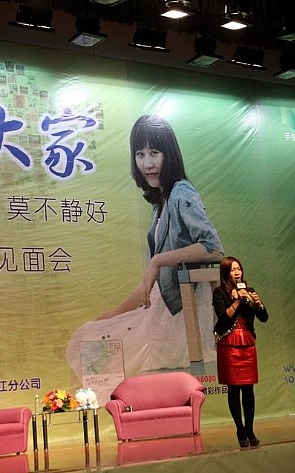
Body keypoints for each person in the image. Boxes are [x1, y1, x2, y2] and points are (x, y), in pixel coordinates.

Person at [65, 114, 224, 390]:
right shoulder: (161, 203)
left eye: (154, 153)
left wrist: (158, 260)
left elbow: (213, 248)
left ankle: (88, 410)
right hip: (158, 315)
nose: (147, 163)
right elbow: (151, 286)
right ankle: (84, 410)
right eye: (140, 154)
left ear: (169, 154)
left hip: (175, 320)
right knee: (86, 338)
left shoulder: (181, 193)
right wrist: (115, 312)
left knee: (90, 346)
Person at [212, 256, 268, 448]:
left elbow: (264, 318)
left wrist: (259, 304)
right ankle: (240, 429)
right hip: (229, 343)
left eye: (239, 269)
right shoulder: (219, 293)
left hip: (247, 342)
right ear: (225, 273)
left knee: (248, 389)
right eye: (233, 270)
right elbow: (223, 318)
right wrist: (236, 301)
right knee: (234, 389)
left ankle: (250, 429)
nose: (237, 273)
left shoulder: (249, 291)